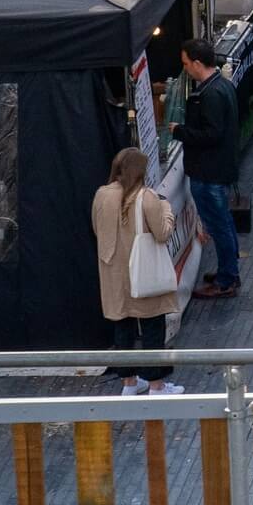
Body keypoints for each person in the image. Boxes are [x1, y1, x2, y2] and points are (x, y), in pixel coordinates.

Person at [92, 148, 183, 396]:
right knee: (153, 327)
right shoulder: (147, 197)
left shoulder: (101, 195)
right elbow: (163, 233)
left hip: (113, 274)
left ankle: (129, 383)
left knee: (123, 326)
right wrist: (167, 209)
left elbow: (97, 229)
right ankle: (156, 385)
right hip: (143, 273)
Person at [170, 39, 242, 300]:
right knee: (224, 223)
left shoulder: (210, 94)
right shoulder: (222, 86)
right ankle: (229, 270)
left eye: (187, 64)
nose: (186, 68)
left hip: (209, 171)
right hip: (218, 168)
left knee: (218, 224)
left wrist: (179, 132)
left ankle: (226, 280)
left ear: (197, 63)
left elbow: (211, 134)